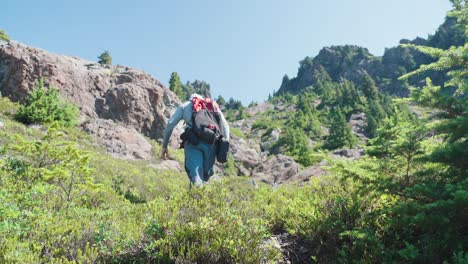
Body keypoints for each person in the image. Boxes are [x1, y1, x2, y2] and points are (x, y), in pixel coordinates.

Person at [161, 93, 230, 187]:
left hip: (193, 143)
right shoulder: (212, 106)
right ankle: (204, 200)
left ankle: (195, 198)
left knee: (196, 177)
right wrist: (224, 146)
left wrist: (164, 146)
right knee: (205, 178)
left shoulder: (186, 106)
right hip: (211, 144)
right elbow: (225, 125)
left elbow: (170, 124)